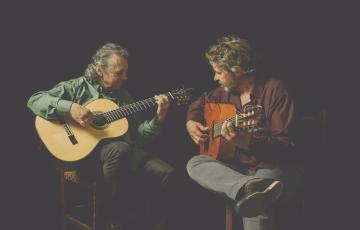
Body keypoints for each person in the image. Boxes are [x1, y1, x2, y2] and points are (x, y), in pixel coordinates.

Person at [27, 43, 174, 230]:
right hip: (82, 156)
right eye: (119, 73)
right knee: (120, 150)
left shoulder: (124, 97)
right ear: (99, 69)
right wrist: (70, 108)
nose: (125, 77)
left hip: (120, 156)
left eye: (126, 72)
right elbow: (35, 100)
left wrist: (159, 118)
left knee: (166, 173)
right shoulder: (77, 87)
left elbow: (138, 136)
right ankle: (114, 220)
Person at [186, 36, 302, 230]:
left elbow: (285, 148)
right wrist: (191, 122)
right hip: (239, 169)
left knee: (257, 204)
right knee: (195, 163)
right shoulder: (222, 93)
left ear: (237, 70)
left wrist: (247, 142)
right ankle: (249, 187)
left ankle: (253, 190)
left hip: (275, 168)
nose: (215, 78)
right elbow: (199, 104)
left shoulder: (274, 90)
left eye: (218, 72)